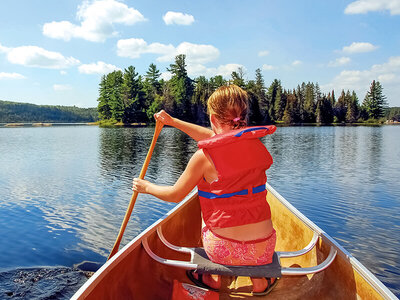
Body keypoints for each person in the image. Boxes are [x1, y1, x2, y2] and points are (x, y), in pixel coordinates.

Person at [132, 84, 277, 295]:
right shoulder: (256, 144)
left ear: (213, 119)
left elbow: (175, 195)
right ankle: (259, 282)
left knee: (204, 203)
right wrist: (172, 122)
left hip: (222, 252)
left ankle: (212, 277)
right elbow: (216, 138)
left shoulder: (203, 158)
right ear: (243, 117)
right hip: (263, 250)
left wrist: (147, 187)